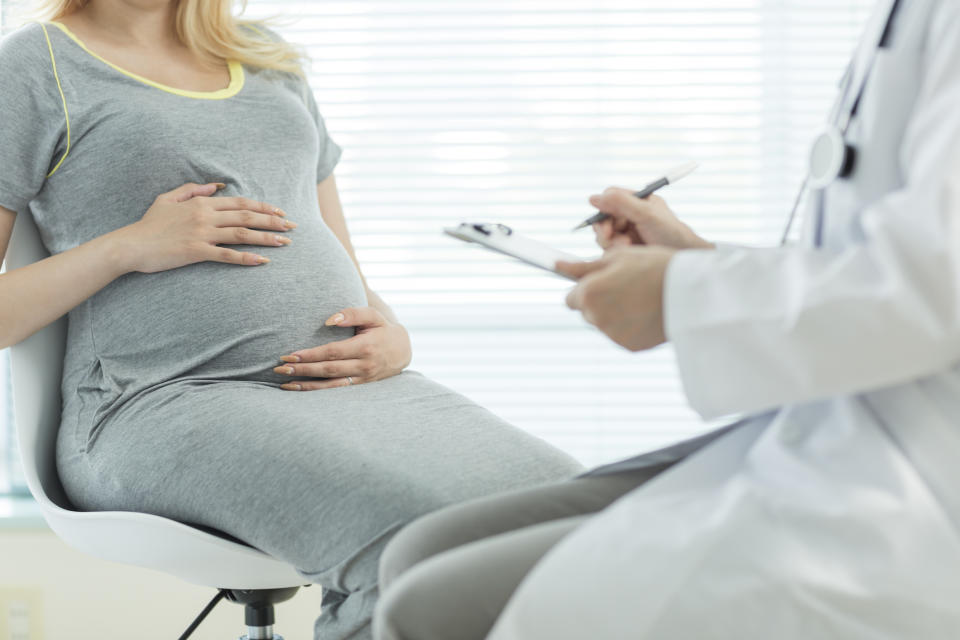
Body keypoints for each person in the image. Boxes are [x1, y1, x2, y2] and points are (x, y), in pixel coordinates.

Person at [373, 0, 960, 638]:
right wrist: (696, 263)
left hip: (911, 482)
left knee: (432, 610)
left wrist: (683, 292)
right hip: (837, 424)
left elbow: (936, 284)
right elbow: (878, 251)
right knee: (415, 554)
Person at [0, 1, 583, 638]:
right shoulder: (36, 67)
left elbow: (332, 245)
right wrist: (127, 246)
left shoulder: (264, 55)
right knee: (415, 548)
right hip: (164, 399)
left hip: (353, 390)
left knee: (579, 514)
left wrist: (390, 334)